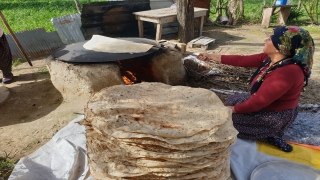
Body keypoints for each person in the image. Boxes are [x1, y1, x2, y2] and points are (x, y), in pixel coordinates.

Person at [197, 26, 315, 152]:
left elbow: (258, 102)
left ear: (281, 47)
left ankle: (269, 134)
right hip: (265, 105)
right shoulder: (271, 59)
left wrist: (234, 110)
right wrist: (210, 56)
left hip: (274, 116)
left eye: (270, 39)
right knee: (232, 99)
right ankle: (263, 131)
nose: (265, 40)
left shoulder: (287, 73)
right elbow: (241, 60)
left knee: (222, 123)